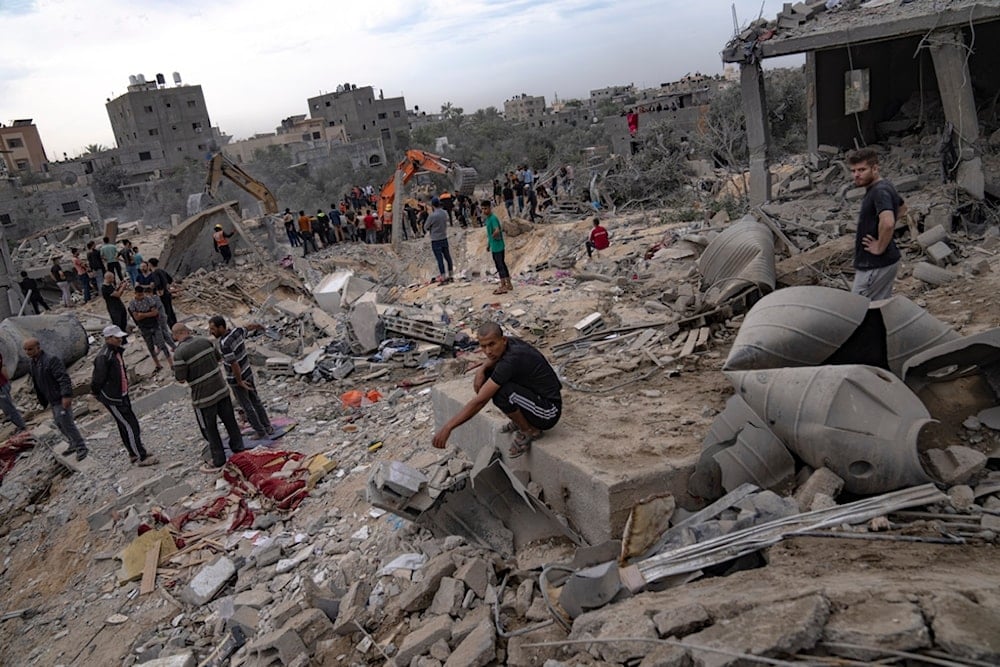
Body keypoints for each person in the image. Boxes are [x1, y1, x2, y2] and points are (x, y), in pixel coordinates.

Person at [432, 322, 562, 458]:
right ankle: (523, 421)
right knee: (491, 376)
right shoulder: (510, 344)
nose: (488, 351)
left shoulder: (511, 359)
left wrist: (448, 427)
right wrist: (481, 370)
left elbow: (480, 401)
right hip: (536, 396)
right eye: (483, 346)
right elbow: (492, 361)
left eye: (492, 344)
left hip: (549, 411)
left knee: (501, 393)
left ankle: (528, 430)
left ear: (503, 340)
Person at [172, 323, 246, 470]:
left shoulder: (179, 353)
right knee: (230, 421)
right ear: (188, 331)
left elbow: (180, 378)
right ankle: (239, 449)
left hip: (203, 398)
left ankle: (218, 459)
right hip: (221, 389)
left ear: (175, 335)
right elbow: (219, 358)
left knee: (209, 429)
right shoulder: (205, 341)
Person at [91, 325, 158, 466]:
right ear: (108, 339)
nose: (120, 340)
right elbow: (97, 379)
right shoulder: (104, 356)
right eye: (117, 338)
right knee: (130, 425)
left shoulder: (115, 352)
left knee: (126, 424)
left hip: (121, 394)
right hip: (113, 397)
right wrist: (98, 394)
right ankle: (141, 456)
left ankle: (134, 452)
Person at [847, 148, 905, 300]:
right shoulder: (883, 186)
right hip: (882, 263)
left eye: (862, 170)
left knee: (857, 310)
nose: (856, 175)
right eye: (853, 171)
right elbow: (902, 208)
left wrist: (880, 246)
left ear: (875, 168)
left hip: (874, 265)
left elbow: (888, 223)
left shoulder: (879, 192)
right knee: (877, 309)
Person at [209, 316, 274, 440]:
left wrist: (239, 381)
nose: (211, 332)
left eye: (213, 329)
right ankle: (267, 426)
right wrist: (259, 326)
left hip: (237, 379)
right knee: (256, 401)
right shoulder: (236, 332)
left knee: (247, 406)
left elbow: (234, 364)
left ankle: (260, 431)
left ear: (221, 327)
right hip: (247, 373)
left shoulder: (225, 344)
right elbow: (248, 327)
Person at [25, 338, 89, 460]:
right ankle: (73, 444)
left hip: (60, 397)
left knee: (66, 422)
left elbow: (63, 378)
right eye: (26, 350)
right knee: (60, 423)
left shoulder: (50, 360)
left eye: (30, 349)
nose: (28, 352)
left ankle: (81, 447)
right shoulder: (33, 363)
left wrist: (66, 395)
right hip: (52, 399)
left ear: (38, 347)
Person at [128, 285, 173, 372]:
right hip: (144, 327)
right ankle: (158, 365)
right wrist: (148, 313)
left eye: (142, 295)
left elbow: (155, 312)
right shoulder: (132, 303)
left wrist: (142, 314)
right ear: (135, 294)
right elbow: (136, 317)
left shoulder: (149, 299)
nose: (141, 297)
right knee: (150, 346)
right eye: (139, 295)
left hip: (154, 324)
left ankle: (171, 363)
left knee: (162, 344)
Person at [483, 201, 512, 294]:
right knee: (501, 264)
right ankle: (509, 284)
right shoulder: (488, 219)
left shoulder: (493, 218)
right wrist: (489, 245)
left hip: (498, 246)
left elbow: (497, 230)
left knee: (500, 265)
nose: (484, 210)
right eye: (483, 209)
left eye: (485, 208)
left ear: (490, 208)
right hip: (495, 246)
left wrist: (494, 235)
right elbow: (490, 234)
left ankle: (503, 285)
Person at [426, 197, 453, 283]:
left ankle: (443, 276)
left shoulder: (432, 216)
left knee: (440, 259)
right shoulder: (444, 213)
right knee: (448, 257)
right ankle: (451, 274)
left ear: (432, 205)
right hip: (444, 238)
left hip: (435, 239)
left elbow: (426, 227)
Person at [0, 350, 28, 433]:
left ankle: (22, 426)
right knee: (7, 407)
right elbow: (3, 367)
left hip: (1, 387)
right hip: (3, 384)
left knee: (8, 408)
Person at [149, 258, 177, 327]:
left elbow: (157, 283)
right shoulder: (162, 270)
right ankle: (176, 324)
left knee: (165, 312)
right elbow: (170, 280)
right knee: (170, 310)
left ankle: (171, 327)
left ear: (150, 264)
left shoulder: (155, 273)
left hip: (162, 295)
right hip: (167, 293)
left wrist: (158, 290)